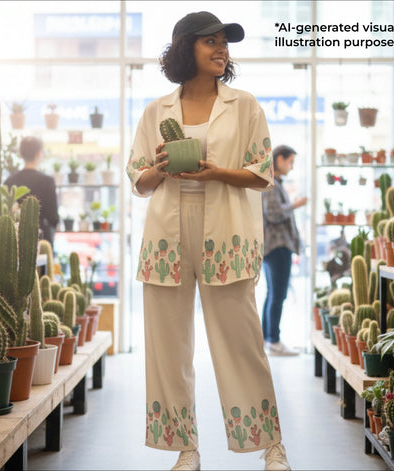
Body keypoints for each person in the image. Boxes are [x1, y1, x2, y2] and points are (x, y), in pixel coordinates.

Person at [126, 11, 291, 471]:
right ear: (185, 48)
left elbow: (262, 175)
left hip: (228, 234)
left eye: (224, 43)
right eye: (210, 42)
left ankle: (270, 445)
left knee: (242, 343)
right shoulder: (155, 111)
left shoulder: (245, 105)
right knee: (168, 347)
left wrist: (215, 172)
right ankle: (185, 450)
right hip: (165, 235)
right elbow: (139, 181)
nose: (221, 49)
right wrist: (161, 168)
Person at [262, 145, 307, 356]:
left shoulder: (273, 183)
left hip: (276, 246)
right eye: (290, 162)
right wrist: (295, 205)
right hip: (277, 246)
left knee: (273, 294)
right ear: (279, 159)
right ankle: (273, 340)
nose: (291, 167)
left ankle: (268, 339)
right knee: (277, 294)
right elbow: (272, 214)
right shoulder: (270, 184)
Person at [4, 136, 59, 247]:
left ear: (21, 154)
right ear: (39, 153)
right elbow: (53, 217)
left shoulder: (9, 181)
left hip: (15, 240)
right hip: (42, 239)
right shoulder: (47, 181)